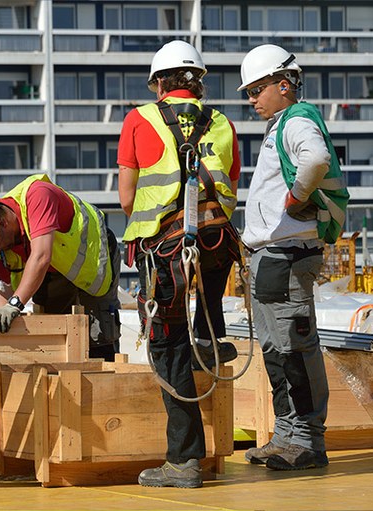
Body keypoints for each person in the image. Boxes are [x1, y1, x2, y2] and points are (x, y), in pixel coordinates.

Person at [118, 40, 241, 488]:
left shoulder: (140, 118)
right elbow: (229, 181)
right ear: (198, 83)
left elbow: (127, 197)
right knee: (206, 315)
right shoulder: (223, 122)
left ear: (158, 83)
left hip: (166, 248)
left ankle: (184, 460)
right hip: (217, 239)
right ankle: (211, 342)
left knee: (166, 343)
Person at [238, 44, 348, 471]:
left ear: (284, 85)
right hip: (271, 257)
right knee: (276, 350)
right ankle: (286, 435)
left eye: (257, 89)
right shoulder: (281, 123)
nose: (252, 99)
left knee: (295, 348)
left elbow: (317, 159)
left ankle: (306, 440)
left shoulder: (298, 119)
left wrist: (298, 194)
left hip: (287, 255)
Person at [0, 173, 121, 361]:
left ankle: (103, 381)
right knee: (54, 336)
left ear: (2, 223)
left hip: (91, 256)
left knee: (97, 334)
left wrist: (14, 304)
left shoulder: (39, 195)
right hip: (51, 270)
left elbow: (41, 256)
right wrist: (4, 315)